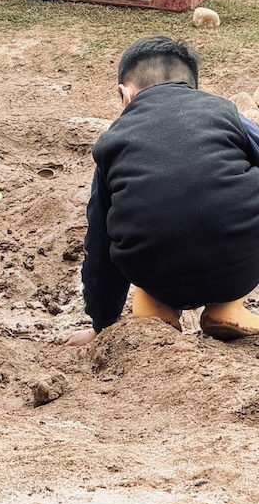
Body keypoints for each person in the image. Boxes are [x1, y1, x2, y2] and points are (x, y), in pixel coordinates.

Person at [65, 35, 259, 345]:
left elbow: (99, 245)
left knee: (141, 212)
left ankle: (155, 312)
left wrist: (102, 324)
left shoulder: (111, 143)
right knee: (230, 196)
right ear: (194, 88)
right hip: (241, 268)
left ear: (125, 94)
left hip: (156, 274)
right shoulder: (223, 111)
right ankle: (227, 306)